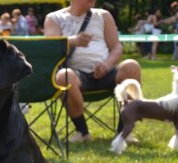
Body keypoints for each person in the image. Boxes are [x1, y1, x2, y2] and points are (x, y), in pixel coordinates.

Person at [44, 0, 142, 143]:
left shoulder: (103, 15)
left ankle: (124, 132)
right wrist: (73, 41)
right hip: (76, 75)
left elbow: (116, 47)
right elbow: (51, 46)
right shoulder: (54, 18)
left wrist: (107, 65)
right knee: (64, 76)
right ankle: (82, 132)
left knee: (132, 66)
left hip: (107, 73)